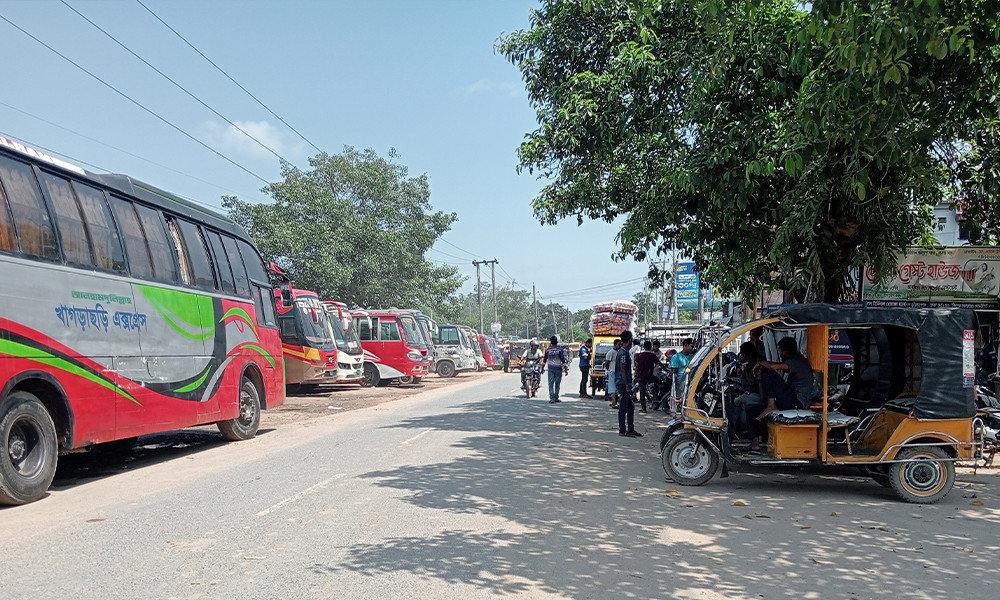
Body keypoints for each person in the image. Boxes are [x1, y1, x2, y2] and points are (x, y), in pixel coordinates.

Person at [753, 336, 815, 421]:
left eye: (779, 351)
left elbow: (773, 366)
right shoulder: (796, 361)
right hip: (789, 399)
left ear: (785, 352)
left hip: (795, 401)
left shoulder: (798, 361)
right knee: (751, 409)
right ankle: (755, 434)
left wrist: (760, 363)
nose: (779, 353)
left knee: (766, 371)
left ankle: (771, 405)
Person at [615, 331, 642, 437]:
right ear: (629, 341)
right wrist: (627, 385)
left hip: (624, 382)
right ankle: (622, 430)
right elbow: (622, 370)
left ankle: (630, 428)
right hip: (622, 383)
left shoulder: (624, 352)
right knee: (623, 407)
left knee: (630, 407)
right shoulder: (623, 354)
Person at [633, 340, 661, 414]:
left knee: (642, 392)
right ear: (650, 347)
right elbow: (660, 364)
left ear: (644, 347)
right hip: (649, 376)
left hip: (640, 376)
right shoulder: (652, 355)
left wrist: (635, 375)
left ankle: (644, 409)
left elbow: (637, 367)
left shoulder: (639, 356)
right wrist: (667, 371)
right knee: (659, 381)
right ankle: (654, 394)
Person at [669, 338, 696, 412]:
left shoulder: (693, 357)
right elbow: (674, 374)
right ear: (686, 345)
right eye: (691, 346)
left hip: (691, 383)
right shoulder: (676, 357)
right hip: (681, 383)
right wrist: (676, 387)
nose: (692, 348)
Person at [541, 335, 570, 403]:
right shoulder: (560, 350)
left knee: (551, 384)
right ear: (557, 342)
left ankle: (552, 398)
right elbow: (563, 360)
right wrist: (565, 370)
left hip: (551, 368)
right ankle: (556, 397)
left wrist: (542, 368)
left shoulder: (548, 350)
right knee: (557, 383)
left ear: (551, 342)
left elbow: (544, 360)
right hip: (558, 369)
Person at [606, 338, 621, 409]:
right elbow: (607, 363)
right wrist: (608, 369)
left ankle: (614, 402)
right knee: (613, 388)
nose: (620, 346)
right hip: (612, 372)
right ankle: (614, 402)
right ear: (615, 345)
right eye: (619, 344)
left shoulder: (620, 352)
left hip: (619, 372)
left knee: (617, 388)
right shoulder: (610, 352)